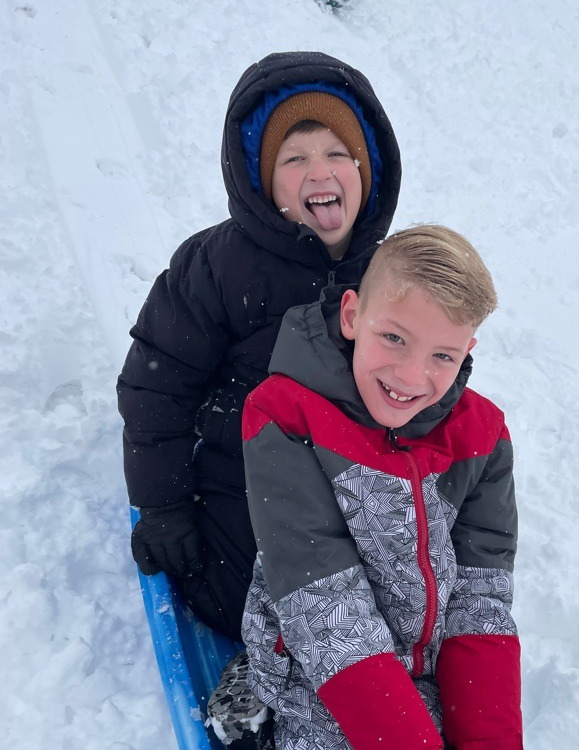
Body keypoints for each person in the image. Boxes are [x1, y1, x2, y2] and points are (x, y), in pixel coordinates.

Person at [117, 51, 401, 640]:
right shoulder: (218, 266)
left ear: (366, 169)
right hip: (241, 472)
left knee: (396, 590)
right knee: (243, 590)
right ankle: (270, 672)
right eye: (294, 159)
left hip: (349, 478)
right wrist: (164, 506)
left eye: (336, 153)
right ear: (261, 182)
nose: (318, 172)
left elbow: (429, 373)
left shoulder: (393, 273)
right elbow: (156, 384)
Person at [238, 225, 523, 750]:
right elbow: (325, 607)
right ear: (352, 316)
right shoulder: (285, 416)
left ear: (468, 350)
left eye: (443, 355)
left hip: (425, 663)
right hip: (314, 666)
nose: (411, 375)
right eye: (394, 337)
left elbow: (480, 594)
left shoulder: (482, 436)